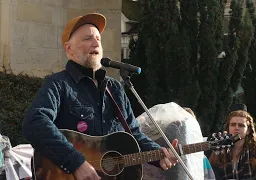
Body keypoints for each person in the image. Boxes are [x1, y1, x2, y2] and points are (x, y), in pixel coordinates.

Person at [22, 13, 178, 180]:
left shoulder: (115, 88)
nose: (96, 43)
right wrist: (76, 162)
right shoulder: (58, 84)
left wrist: (158, 153)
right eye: (88, 38)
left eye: (98, 38)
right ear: (69, 49)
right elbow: (34, 123)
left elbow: (133, 134)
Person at [209, 110, 256, 180]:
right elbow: (211, 176)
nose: (236, 128)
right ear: (228, 128)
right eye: (233, 124)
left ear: (248, 130)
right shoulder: (219, 150)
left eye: (241, 125)